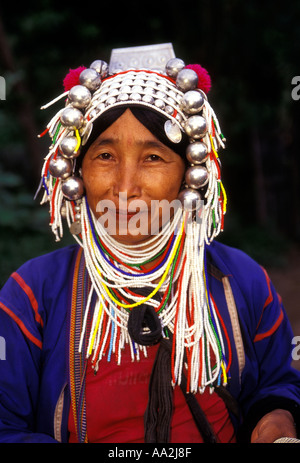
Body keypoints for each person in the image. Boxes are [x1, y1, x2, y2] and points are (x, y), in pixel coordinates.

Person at [0, 43, 299, 444]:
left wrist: (276, 419)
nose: (125, 187)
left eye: (153, 158)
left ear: (189, 174)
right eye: (105, 155)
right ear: (77, 171)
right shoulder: (33, 295)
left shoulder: (241, 281)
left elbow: (280, 382)